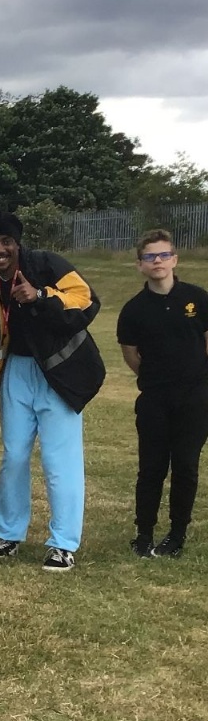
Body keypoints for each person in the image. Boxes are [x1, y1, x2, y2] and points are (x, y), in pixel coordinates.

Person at [0, 213, 106, 571]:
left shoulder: (46, 264)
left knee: (60, 460)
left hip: (58, 371)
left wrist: (40, 295)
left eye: (6, 242)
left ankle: (63, 544)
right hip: (16, 370)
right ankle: (8, 534)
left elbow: (87, 300)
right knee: (13, 456)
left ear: (17, 244)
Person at [117, 229, 208, 558]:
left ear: (174, 260)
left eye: (164, 255)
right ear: (140, 264)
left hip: (195, 398)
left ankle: (177, 534)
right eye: (150, 256)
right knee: (151, 467)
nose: (158, 261)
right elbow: (131, 355)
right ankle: (143, 534)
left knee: (185, 466)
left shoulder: (198, 299)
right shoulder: (133, 310)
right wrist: (156, 379)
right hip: (154, 399)